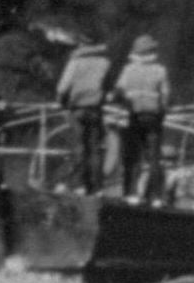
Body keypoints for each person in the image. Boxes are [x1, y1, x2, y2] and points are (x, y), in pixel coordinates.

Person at [113, 33, 171, 204]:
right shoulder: (160, 70)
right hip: (153, 117)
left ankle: (131, 194)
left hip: (134, 116)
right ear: (152, 52)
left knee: (133, 156)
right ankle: (157, 197)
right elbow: (166, 95)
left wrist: (122, 102)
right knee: (154, 157)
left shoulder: (128, 70)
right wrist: (163, 111)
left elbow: (119, 91)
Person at [53, 39, 113, 194]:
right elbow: (109, 86)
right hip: (95, 109)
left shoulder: (75, 63)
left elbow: (63, 86)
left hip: (77, 108)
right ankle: (96, 187)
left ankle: (75, 183)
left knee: (79, 145)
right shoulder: (105, 63)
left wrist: (59, 102)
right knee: (94, 148)